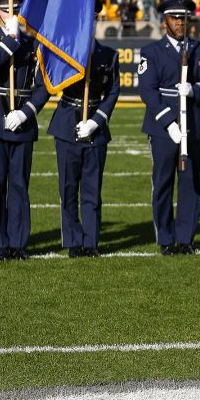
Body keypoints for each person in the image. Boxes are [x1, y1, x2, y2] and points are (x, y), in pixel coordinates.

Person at [137, 0, 200, 255]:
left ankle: (186, 238)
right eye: (175, 18)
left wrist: (196, 90)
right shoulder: (151, 52)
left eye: (184, 18)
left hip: (194, 126)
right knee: (163, 183)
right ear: (165, 21)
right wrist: (167, 121)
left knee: (190, 184)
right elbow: (148, 91)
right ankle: (165, 238)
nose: (180, 22)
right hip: (164, 129)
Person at [31, 15, 122, 258]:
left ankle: (91, 242)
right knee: (68, 188)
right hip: (66, 122)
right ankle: (73, 240)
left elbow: (113, 92)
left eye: (94, 18)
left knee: (92, 189)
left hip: (95, 126)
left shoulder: (109, 55)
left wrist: (96, 121)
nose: (89, 23)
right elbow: (48, 80)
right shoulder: (64, 50)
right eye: (86, 16)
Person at [0, 0, 46, 260]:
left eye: (16, 8)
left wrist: (26, 112)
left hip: (22, 119)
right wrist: (11, 40)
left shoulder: (33, 44)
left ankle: (19, 242)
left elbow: (43, 86)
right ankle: (1, 243)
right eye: (6, 10)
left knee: (19, 185)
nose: (11, 13)